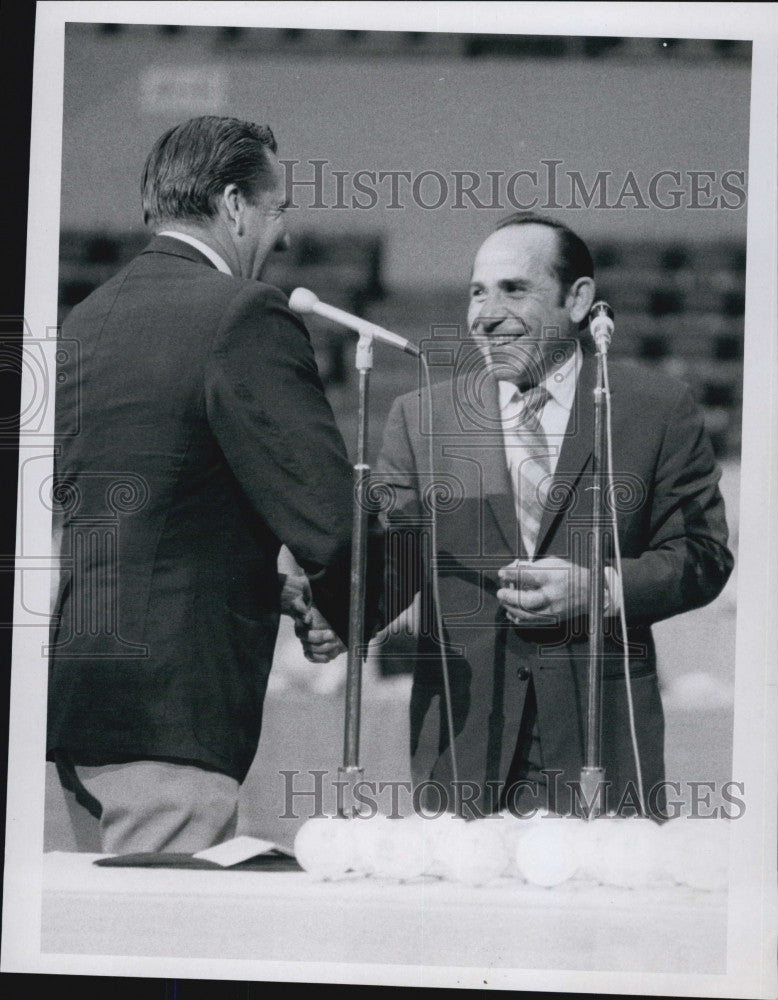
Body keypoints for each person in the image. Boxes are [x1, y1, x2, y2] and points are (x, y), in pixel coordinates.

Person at [47, 116, 375, 853]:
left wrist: (268, 585)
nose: (284, 234)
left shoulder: (86, 319)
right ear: (234, 205)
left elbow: (149, 516)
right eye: (278, 209)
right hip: (171, 718)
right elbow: (331, 516)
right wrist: (353, 606)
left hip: (82, 705)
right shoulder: (244, 315)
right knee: (155, 953)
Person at [376, 213, 733, 819]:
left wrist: (602, 589)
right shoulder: (423, 419)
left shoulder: (653, 409)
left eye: (513, 289)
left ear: (578, 300)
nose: (484, 315)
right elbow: (388, 567)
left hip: (604, 745)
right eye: (476, 291)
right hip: (464, 752)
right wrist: (333, 610)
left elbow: (703, 555)